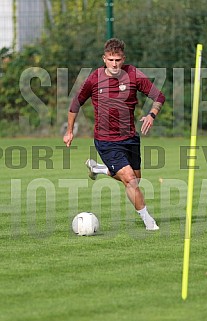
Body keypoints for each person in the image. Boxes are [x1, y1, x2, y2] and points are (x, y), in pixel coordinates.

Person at [63, 38, 165, 231]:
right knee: (130, 180)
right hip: (106, 140)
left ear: (123, 58)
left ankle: (99, 169)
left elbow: (159, 96)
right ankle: (149, 222)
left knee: (136, 178)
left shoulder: (133, 74)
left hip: (130, 138)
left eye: (118, 59)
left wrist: (152, 114)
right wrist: (69, 131)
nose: (114, 64)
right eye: (110, 59)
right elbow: (76, 104)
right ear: (104, 59)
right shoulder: (94, 78)